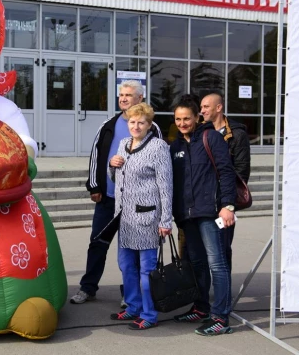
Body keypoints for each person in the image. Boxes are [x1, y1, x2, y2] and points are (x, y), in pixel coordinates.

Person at [70, 80, 162, 305]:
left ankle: (129, 293)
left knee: (133, 249)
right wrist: (94, 186)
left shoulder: (153, 128)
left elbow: (160, 165)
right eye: (121, 94)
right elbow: (96, 157)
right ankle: (88, 288)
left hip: (137, 203)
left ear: (140, 98)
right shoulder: (108, 125)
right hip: (108, 199)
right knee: (98, 243)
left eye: (128, 95)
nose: (123, 98)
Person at [170, 94, 237, 336]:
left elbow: (226, 173)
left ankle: (220, 318)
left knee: (217, 265)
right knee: (196, 264)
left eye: (186, 118)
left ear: (197, 116)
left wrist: (227, 205)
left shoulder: (211, 138)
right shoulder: (175, 146)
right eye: (178, 119)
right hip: (186, 216)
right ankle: (201, 308)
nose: (182, 123)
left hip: (210, 213)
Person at [107, 103, 172, 330]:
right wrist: (112, 166)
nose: (136, 126)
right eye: (132, 122)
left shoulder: (158, 147)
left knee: (146, 269)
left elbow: (166, 186)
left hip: (147, 218)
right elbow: (118, 180)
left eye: (141, 122)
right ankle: (133, 307)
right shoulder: (124, 144)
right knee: (126, 265)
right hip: (125, 219)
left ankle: (149, 314)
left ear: (149, 124)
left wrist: (166, 220)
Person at [200, 92, 251, 271]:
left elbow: (242, 170)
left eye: (206, 107)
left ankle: (223, 293)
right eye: (201, 107)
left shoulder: (236, 134)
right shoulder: (201, 131)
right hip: (202, 201)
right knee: (199, 251)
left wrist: (227, 202)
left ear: (219, 107)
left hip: (224, 202)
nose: (202, 111)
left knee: (221, 250)